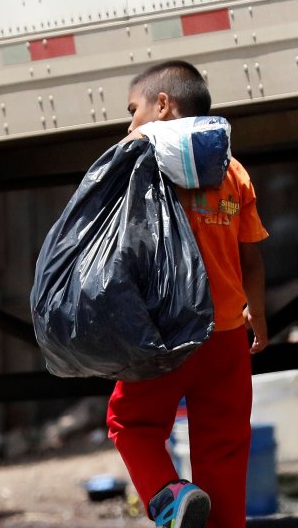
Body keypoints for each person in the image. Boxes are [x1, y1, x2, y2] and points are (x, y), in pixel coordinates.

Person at [107, 60, 269, 528]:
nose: (129, 122)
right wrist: (257, 314)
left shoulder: (146, 162)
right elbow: (252, 254)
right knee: (225, 448)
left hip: (167, 336)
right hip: (227, 336)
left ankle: (169, 496)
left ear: (163, 106)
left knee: (130, 423)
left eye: (133, 110)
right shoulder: (233, 170)